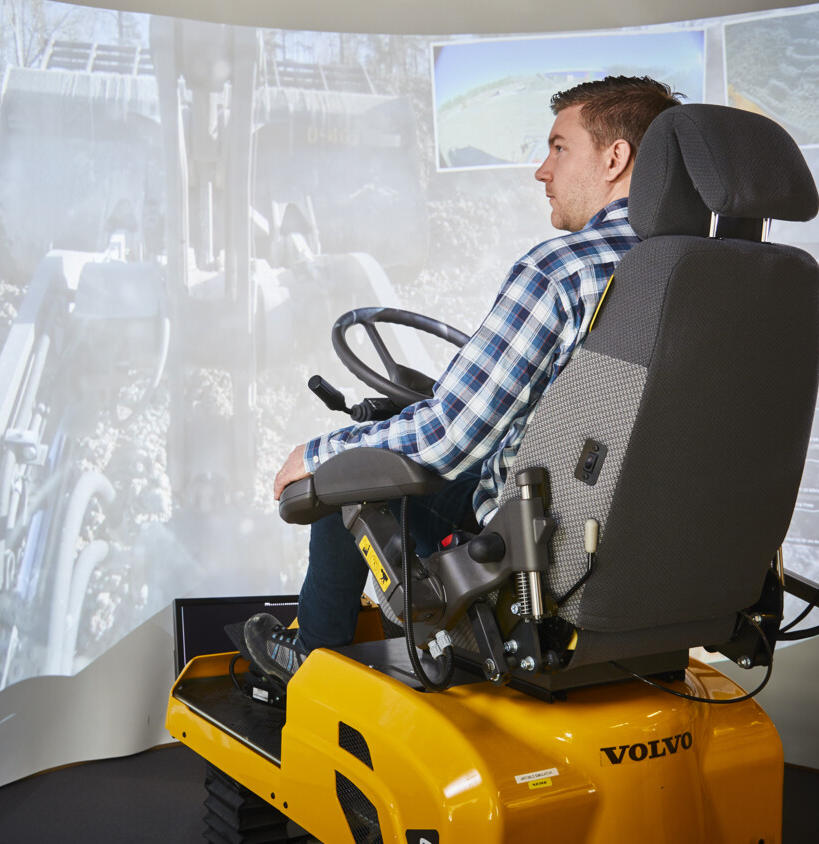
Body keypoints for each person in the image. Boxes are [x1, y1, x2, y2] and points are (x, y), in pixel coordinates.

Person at [244, 76, 684, 685]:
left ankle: (310, 659)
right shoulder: (712, 283)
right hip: (651, 560)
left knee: (344, 476)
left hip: (537, 561)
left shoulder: (563, 271)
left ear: (616, 158)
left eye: (559, 147)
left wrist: (318, 455)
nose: (542, 170)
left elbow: (449, 434)